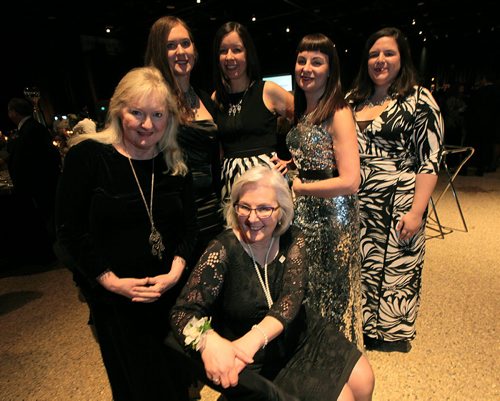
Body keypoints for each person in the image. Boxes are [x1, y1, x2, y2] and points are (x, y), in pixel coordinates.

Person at [169, 165, 374, 401]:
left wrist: (249, 342)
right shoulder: (222, 250)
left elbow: (291, 297)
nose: (253, 218)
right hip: (258, 362)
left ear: (281, 211)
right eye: (244, 207)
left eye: (265, 208)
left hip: (298, 336)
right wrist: (209, 341)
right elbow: (182, 312)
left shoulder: (293, 238)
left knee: (364, 380)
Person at [55, 66, 197, 401]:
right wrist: (110, 281)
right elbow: (69, 232)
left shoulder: (174, 162)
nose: (147, 125)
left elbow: (189, 228)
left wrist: (175, 272)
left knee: (177, 384)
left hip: (170, 297)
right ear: (119, 110)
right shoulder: (88, 156)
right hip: (117, 303)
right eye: (137, 113)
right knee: (137, 386)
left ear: (168, 119)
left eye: (157, 115)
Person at [346, 27, 444, 352]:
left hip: (399, 201)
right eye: (374, 54)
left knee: (395, 272)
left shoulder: (419, 99)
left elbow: (430, 160)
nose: (380, 60)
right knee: (363, 266)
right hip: (358, 203)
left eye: (389, 53)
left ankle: (390, 334)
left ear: (402, 57)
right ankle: (364, 328)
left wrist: (417, 211)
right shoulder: (353, 99)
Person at [286, 33, 363, 348]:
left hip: (331, 218)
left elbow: (350, 180)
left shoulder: (338, 111)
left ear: (330, 70)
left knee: (330, 293)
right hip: (306, 213)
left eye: (316, 62)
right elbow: (315, 157)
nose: (306, 67)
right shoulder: (306, 109)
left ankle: (335, 362)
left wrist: (301, 187)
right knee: (309, 289)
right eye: (302, 60)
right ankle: (312, 358)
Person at [145, 15, 224, 266]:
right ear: (159, 51)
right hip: (175, 216)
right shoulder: (152, 100)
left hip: (212, 211)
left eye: (186, 43)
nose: (181, 51)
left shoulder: (203, 97)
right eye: (171, 46)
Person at [211, 21, 294, 201]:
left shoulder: (268, 90)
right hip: (231, 188)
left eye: (237, 49)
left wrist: (292, 162)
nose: (229, 57)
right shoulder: (216, 98)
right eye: (223, 51)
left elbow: (307, 122)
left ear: (248, 53)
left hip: (268, 187)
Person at [6, 97, 61, 265]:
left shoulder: (30, 130)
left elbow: (30, 160)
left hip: (38, 184)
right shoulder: (34, 128)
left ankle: (51, 253)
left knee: (47, 218)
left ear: (14, 112)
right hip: (42, 183)